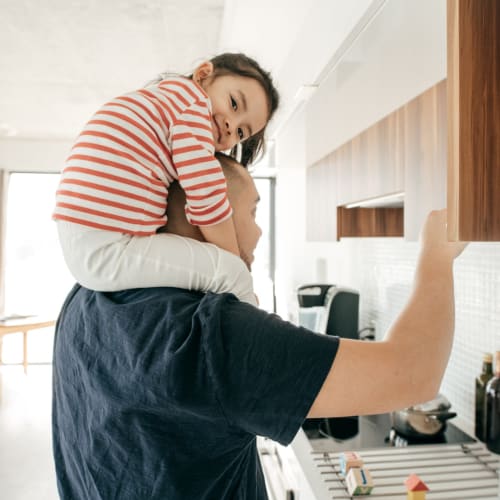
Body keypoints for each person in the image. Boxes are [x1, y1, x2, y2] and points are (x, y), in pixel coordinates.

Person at [52, 154, 467, 499]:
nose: (259, 229)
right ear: (203, 210)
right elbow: (413, 372)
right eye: (252, 210)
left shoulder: (86, 296)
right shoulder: (211, 332)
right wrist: (437, 255)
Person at [52, 53, 279, 305]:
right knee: (229, 272)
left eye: (240, 132)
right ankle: (252, 332)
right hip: (106, 247)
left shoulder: (166, 102)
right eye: (234, 104)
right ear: (203, 75)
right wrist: (235, 261)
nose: (230, 125)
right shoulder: (190, 109)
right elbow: (208, 199)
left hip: (86, 237)